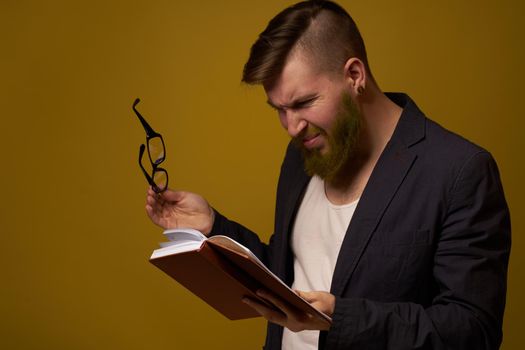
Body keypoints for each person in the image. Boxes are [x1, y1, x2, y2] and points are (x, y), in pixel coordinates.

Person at [145, 1, 511, 349]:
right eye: (279, 109)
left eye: (303, 103)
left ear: (354, 75)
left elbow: (472, 332)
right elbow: (293, 274)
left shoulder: (460, 171)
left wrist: (342, 319)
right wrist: (214, 227)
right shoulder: (303, 150)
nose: (291, 126)